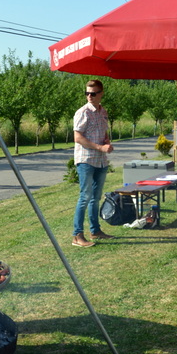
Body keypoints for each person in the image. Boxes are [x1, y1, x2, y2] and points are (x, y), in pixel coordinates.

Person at [72, 80, 114, 247]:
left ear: (101, 93)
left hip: (101, 161)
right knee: (85, 197)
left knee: (95, 198)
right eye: (87, 93)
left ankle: (95, 231)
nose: (89, 96)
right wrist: (99, 147)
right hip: (86, 160)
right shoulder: (82, 112)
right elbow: (78, 137)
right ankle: (77, 236)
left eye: (93, 93)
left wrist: (106, 142)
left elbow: (102, 133)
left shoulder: (103, 112)